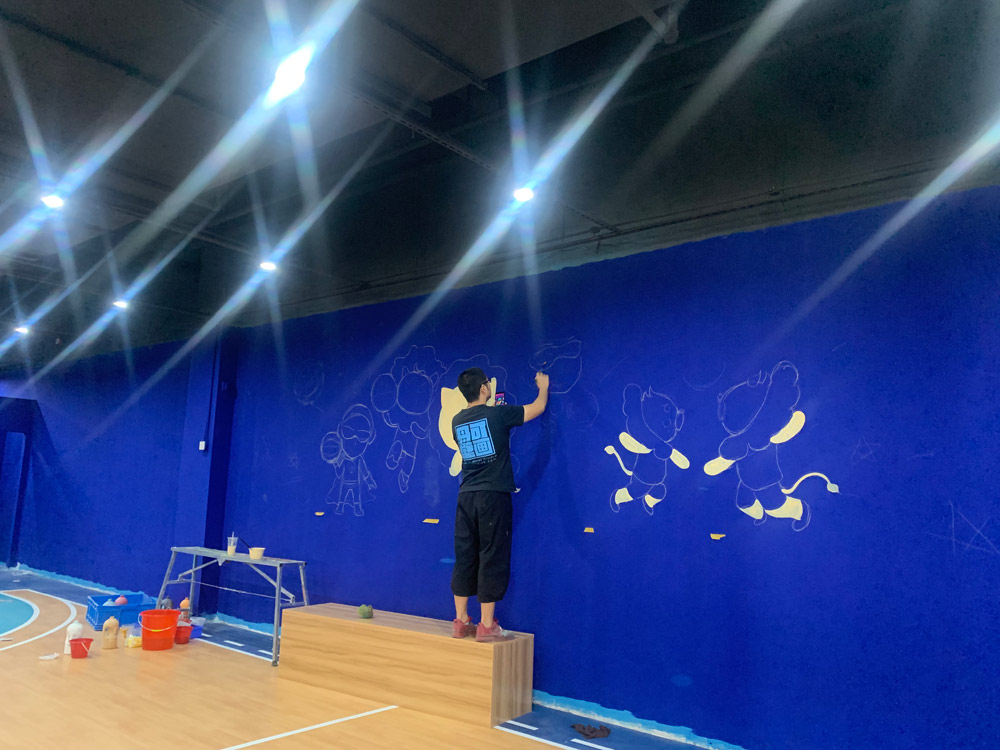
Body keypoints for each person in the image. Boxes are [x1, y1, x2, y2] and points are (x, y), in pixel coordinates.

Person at [450, 367, 548, 642]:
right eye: (487, 383)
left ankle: (461, 620)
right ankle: (486, 625)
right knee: (492, 554)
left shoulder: (456, 421)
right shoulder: (497, 414)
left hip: (466, 495)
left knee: (465, 555)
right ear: (483, 388)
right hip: (492, 495)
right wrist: (543, 386)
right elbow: (537, 408)